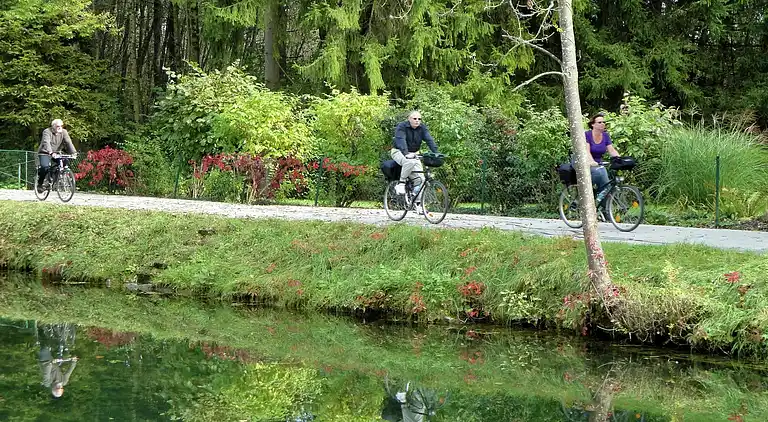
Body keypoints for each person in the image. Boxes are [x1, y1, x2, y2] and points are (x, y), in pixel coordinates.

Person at [391, 111, 439, 199]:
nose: (417, 120)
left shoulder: (422, 128)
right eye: (415, 118)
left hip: (414, 153)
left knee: (421, 180)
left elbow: (429, 140)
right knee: (410, 162)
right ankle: (401, 184)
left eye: (419, 119)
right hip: (399, 151)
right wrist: (406, 153)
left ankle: (417, 202)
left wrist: (436, 153)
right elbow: (401, 140)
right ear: (409, 119)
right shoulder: (402, 126)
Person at [37, 322, 79, 398]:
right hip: (56, 361)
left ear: (53, 388)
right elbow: (69, 372)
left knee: (45, 347)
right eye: (61, 388)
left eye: (57, 388)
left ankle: (39, 328)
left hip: (45, 362)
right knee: (64, 349)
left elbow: (46, 372)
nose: (59, 386)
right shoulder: (64, 381)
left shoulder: (47, 383)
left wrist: (51, 363)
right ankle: (58, 330)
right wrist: (74, 362)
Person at [585, 113, 620, 203]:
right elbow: (586, 151)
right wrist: (591, 162)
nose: (602, 124)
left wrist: (619, 159)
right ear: (593, 124)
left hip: (598, 163)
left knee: (606, 186)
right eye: (600, 122)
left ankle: (603, 207)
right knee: (600, 172)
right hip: (585, 162)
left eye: (604, 122)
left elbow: (611, 150)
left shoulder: (605, 136)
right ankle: (586, 195)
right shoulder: (587, 135)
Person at [37, 119, 77, 193]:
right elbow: (46, 142)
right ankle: (40, 183)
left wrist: (74, 152)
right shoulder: (47, 131)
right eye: (58, 126)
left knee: (64, 162)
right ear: (53, 126)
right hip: (45, 152)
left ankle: (53, 179)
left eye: (61, 126)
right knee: (45, 167)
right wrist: (51, 152)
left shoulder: (64, 132)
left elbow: (68, 142)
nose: (60, 127)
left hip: (57, 152)